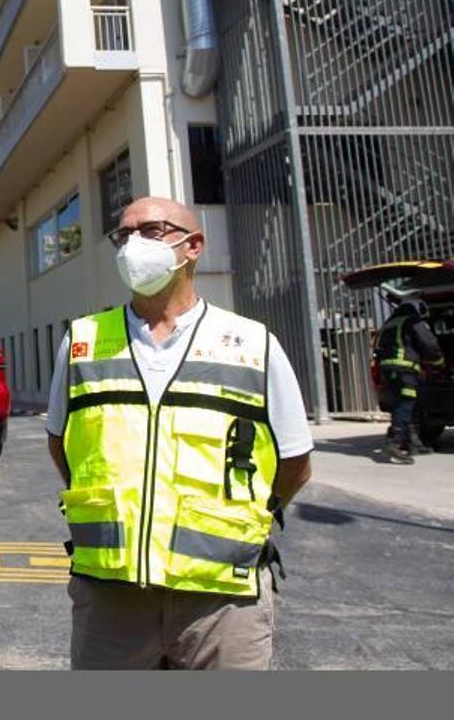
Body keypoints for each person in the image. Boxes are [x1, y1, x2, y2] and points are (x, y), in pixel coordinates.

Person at [46, 196, 313, 670]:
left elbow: (294, 463)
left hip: (222, 603)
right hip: (111, 601)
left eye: (149, 231)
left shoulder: (253, 344)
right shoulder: (82, 341)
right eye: (122, 235)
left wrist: (244, 522)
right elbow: (61, 445)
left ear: (193, 247)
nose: (131, 245)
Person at [375, 300, 446, 463]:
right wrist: (439, 360)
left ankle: (414, 443)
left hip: (388, 370)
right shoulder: (411, 321)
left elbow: (378, 348)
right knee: (406, 402)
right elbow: (428, 343)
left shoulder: (389, 323)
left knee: (406, 405)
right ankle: (393, 442)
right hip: (404, 369)